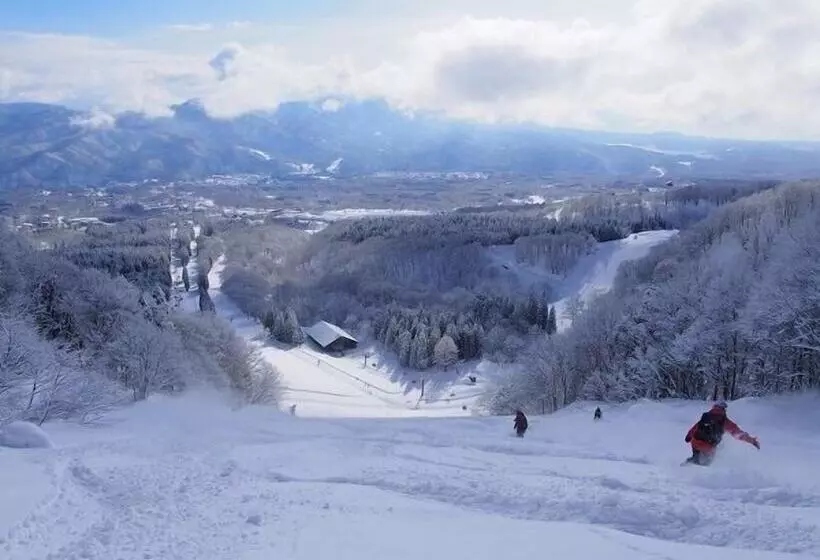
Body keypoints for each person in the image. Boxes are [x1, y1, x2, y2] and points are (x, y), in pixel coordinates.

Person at [684, 401, 759, 466]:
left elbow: (695, 428)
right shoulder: (724, 421)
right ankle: (701, 475)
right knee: (708, 463)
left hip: (695, 442)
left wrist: (688, 437)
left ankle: (687, 466)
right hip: (709, 448)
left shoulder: (706, 416)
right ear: (723, 409)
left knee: (696, 459)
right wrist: (752, 440)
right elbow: (738, 433)